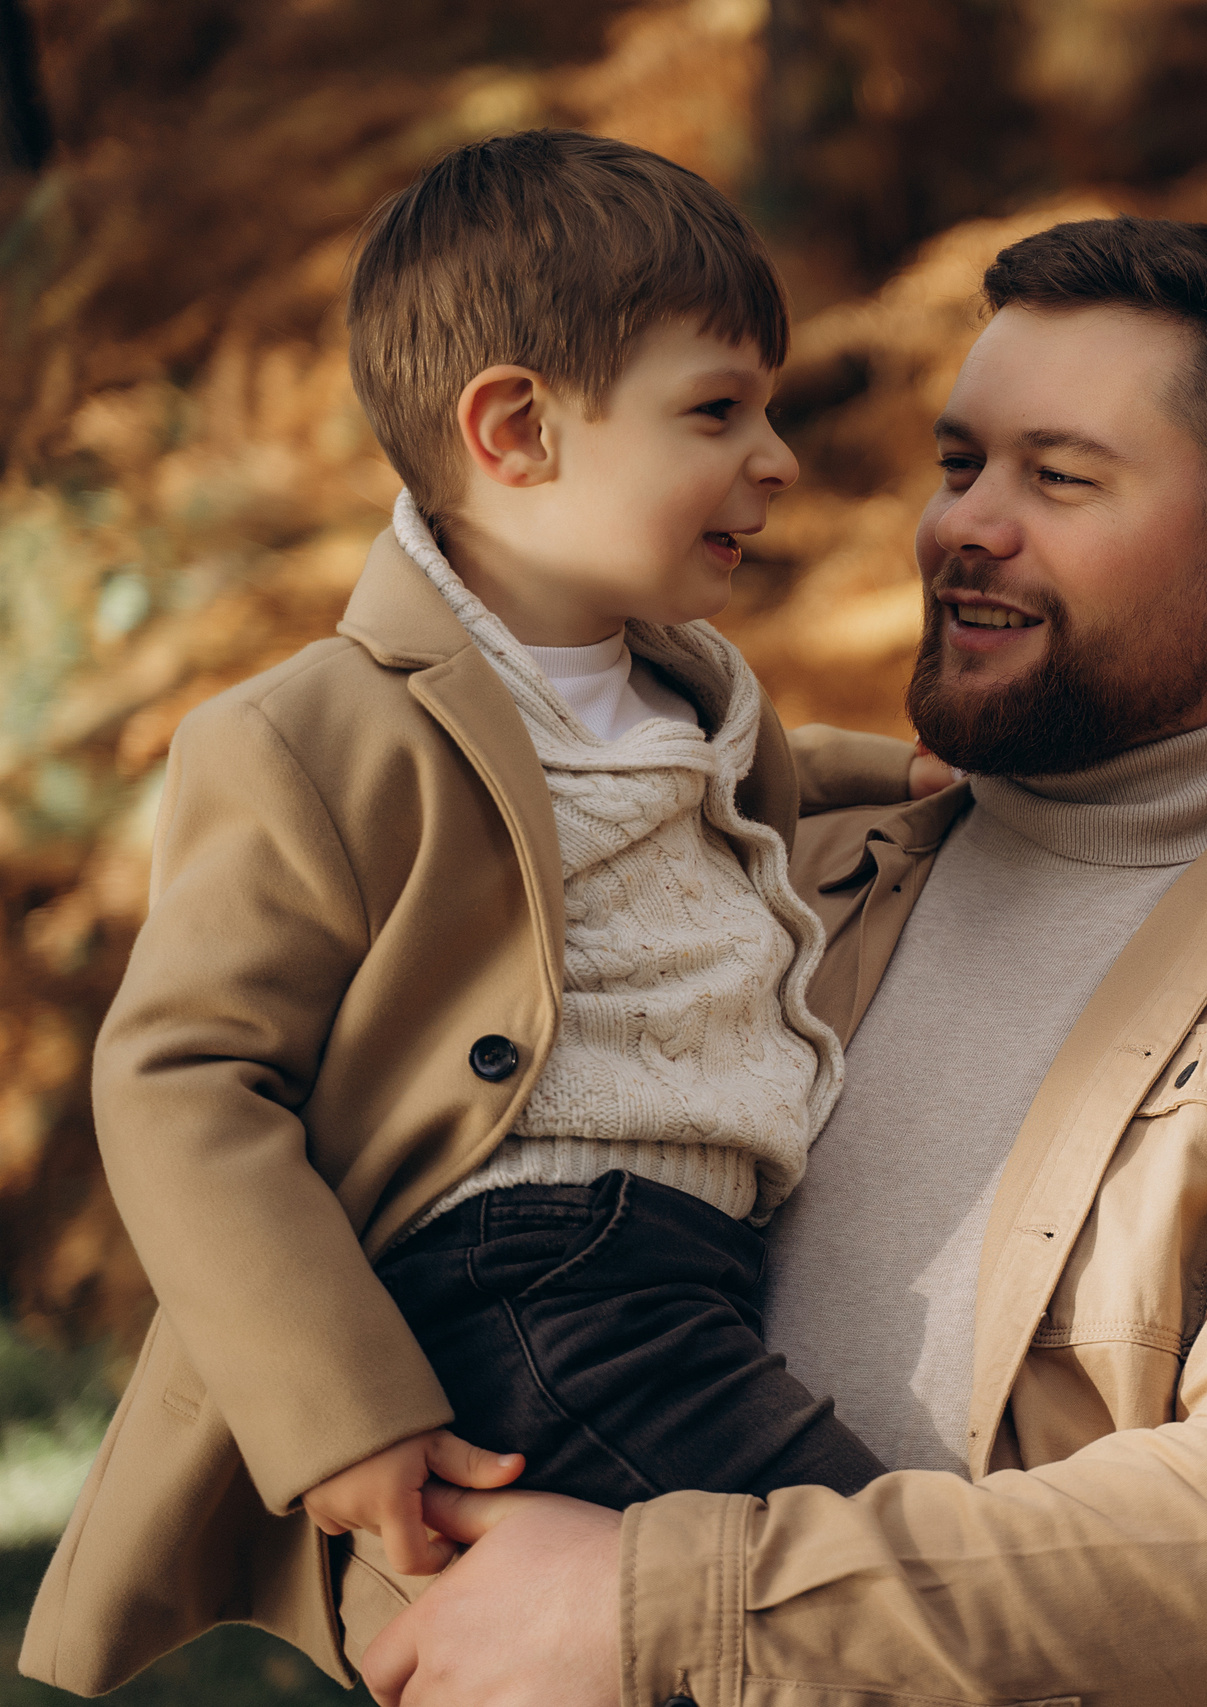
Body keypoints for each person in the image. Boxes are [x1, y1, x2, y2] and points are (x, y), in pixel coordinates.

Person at [351, 216, 1207, 1707]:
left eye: (1058, 477)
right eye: (962, 463)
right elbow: (460, 1262)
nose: (962, 525)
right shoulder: (761, 878)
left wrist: (667, 1606)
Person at [17, 131, 935, 1698]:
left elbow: (737, 790)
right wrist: (345, 1409)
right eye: (718, 411)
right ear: (515, 430)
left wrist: (930, 779)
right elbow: (181, 1081)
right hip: (538, 1283)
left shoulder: (681, 693)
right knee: (910, 1601)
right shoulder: (315, 735)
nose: (776, 457)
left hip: (679, 1279)